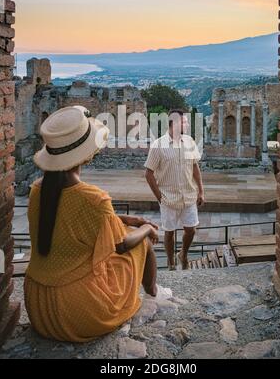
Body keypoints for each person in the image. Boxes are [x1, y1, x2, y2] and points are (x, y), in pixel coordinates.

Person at [24, 105, 160, 343]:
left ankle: (153, 290)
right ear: (87, 154)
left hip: (39, 307)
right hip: (79, 310)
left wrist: (130, 219)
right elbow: (122, 244)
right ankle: (154, 292)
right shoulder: (93, 198)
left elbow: (74, 220)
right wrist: (147, 227)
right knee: (142, 243)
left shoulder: (37, 190)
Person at [145, 109, 205, 270]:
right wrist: (159, 196)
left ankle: (183, 254)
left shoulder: (190, 142)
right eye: (184, 122)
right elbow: (148, 173)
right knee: (169, 232)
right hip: (168, 197)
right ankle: (171, 262)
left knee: (191, 229)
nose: (187, 124)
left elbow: (194, 167)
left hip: (188, 195)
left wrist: (201, 190)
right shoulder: (158, 145)